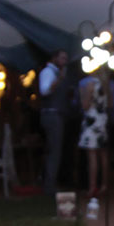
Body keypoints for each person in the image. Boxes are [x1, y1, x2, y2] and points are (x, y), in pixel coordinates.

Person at [38, 49, 70, 194]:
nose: (65, 61)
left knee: (54, 150)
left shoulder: (56, 73)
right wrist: (59, 81)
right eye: (62, 58)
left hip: (56, 113)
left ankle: (49, 183)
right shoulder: (48, 73)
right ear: (54, 58)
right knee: (54, 150)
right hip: (51, 114)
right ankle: (49, 186)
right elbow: (44, 90)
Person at [76, 70, 112, 198]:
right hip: (102, 120)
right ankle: (104, 185)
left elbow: (85, 105)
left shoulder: (90, 84)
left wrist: (83, 94)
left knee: (92, 155)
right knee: (103, 155)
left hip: (92, 120)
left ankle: (92, 187)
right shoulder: (106, 84)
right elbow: (111, 104)